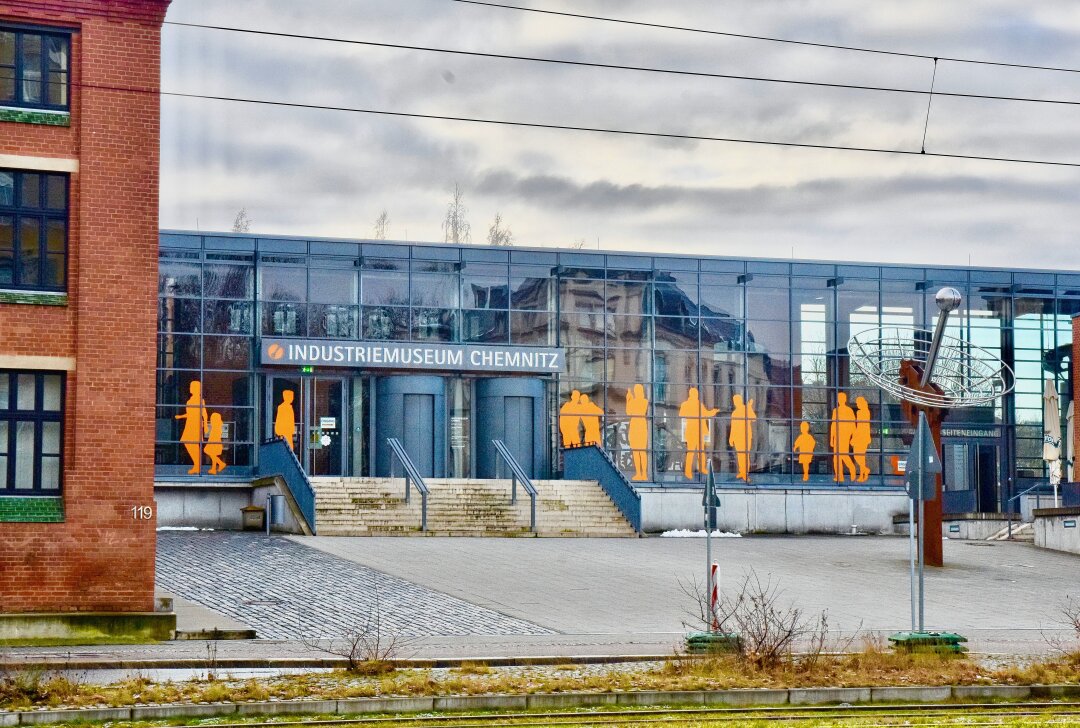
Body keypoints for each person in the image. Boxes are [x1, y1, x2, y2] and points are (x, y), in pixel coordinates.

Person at [679, 387, 719, 479]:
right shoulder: (686, 404)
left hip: (700, 431)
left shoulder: (699, 404)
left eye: (696, 394)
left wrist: (713, 411)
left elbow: (706, 413)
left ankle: (702, 468)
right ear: (691, 394)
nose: (695, 395)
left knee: (701, 451)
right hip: (691, 431)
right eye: (694, 394)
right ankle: (688, 471)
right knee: (691, 452)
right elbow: (681, 414)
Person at [174, 380, 208, 474]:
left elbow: (204, 414)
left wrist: (205, 426)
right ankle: (197, 465)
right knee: (188, 443)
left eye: (192, 387)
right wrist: (180, 416)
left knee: (194, 445)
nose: (190, 388)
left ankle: (197, 466)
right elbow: (190, 414)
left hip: (196, 424)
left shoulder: (201, 400)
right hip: (190, 423)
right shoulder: (190, 400)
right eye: (190, 386)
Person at [830, 392, 858, 483]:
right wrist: (832, 438)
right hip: (837, 436)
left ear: (845, 400)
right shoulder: (835, 410)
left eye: (842, 398)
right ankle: (839, 476)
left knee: (843, 455)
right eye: (839, 398)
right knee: (836, 458)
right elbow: (833, 425)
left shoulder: (849, 410)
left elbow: (853, 424)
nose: (840, 400)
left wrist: (853, 437)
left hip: (845, 436)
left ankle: (852, 470)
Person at [729, 394, 756, 482]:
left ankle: (746, 474)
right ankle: (742, 472)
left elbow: (753, 418)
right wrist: (731, 438)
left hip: (746, 436)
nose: (735, 403)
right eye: (734, 401)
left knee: (745, 455)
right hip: (737, 437)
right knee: (740, 456)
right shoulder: (734, 413)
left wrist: (750, 408)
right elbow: (733, 427)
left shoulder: (746, 409)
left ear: (740, 401)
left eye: (736, 400)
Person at [625, 384, 649, 481]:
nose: (636, 392)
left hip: (639, 425)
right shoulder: (636, 401)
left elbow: (631, 411)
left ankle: (643, 474)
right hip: (635, 425)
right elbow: (628, 412)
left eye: (637, 390)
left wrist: (630, 400)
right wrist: (628, 400)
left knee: (641, 451)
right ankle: (639, 473)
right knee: (636, 451)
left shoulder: (644, 401)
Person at [852, 396, 872, 482]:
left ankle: (862, 475)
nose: (857, 405)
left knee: (860, 456)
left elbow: (861, 426)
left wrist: (854, 438)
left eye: (857, 403)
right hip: (861, 436)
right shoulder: (863, 412)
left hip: (862, 437)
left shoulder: (863, 412)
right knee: (857, 456)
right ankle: (865, 470)